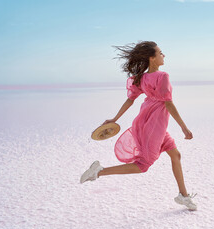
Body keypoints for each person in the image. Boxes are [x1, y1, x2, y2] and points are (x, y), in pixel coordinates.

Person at [80, 41, 197, 211]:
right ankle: (99, 171)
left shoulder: (142, 78)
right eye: (160, 53)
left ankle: (183, 196)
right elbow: (168, 103)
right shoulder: (162, 76)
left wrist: (114, 118)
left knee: (175, 155)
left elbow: (130, 100)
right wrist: (184, 127)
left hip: (150, 123)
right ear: (152, 58)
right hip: (153, 126)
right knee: (143, 165)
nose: (163, 55)